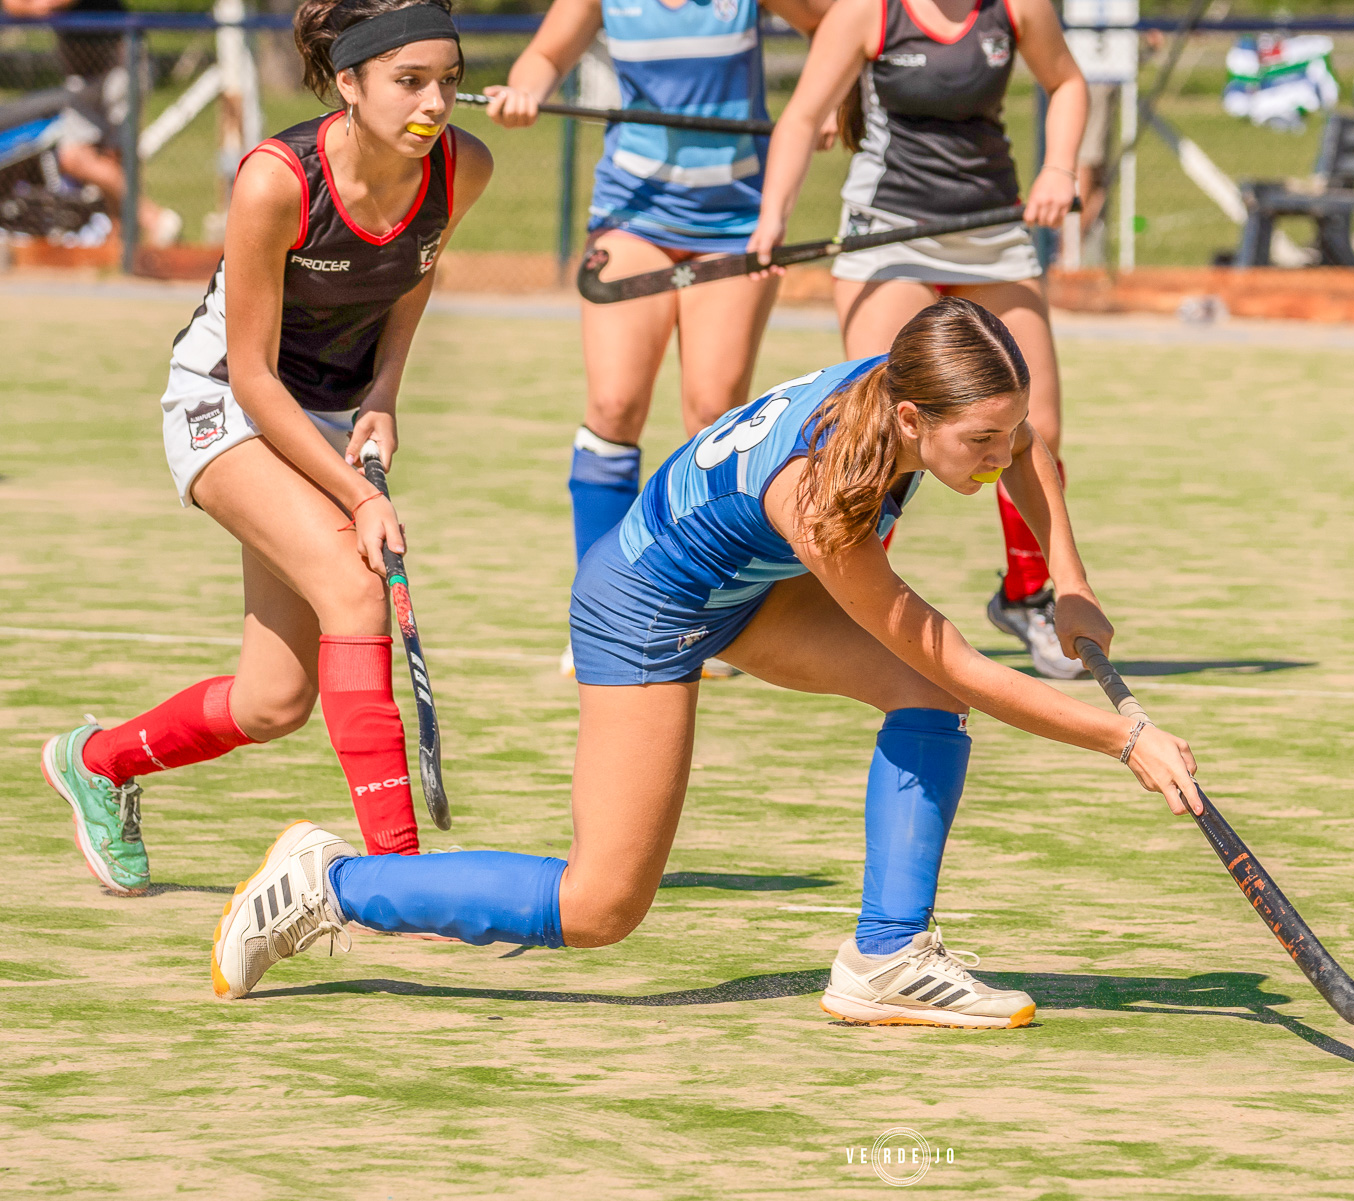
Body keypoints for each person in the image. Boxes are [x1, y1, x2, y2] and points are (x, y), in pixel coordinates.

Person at [211, 298, 1201, 1030]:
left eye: (1001, 430)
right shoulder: (818, 491)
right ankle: (327, 884)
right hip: (646, 608)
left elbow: (1026, 449)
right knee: (600, 906)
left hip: (741, 585)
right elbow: (948, 647)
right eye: (973, 442)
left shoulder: (915, 379)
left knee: (926, 699)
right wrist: (1123, 737)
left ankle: (888, 959)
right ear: (911, 423)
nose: (995, 455)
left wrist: (1064, 577)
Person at [38, 0, 492, 895]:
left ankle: (97, 761)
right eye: (410, 82)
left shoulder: (459, 168)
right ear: (350, 84)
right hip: (228, 403)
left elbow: (414, 275)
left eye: (449, 80)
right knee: (355, 590)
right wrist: (361, 496)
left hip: (327, 410)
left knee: (273, 701)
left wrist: (386, 393)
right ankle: (400, 881)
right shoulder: (276, 180)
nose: (435, 103)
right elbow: (249, 375)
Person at [479, 0, 831, 678]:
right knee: (613, 407)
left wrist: (826, 103)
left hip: (736, 224)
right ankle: (603, 613)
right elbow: (546, 55)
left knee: (715, 414)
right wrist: (527, 87)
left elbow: (830, 28)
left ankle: (709, 613)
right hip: (631, 216)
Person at [745, 0, 1089, 678]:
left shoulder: (1017, 9)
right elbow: (803, 116)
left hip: (992, 235)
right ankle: (852, 597)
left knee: (1034, 425)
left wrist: (1061, 168)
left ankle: (1030, 598)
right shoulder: (868, 12)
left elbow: (1068, 83)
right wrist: (772, 216)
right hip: (887, 234)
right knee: (876, 421)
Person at [2, 0, 183, 245]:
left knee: (116, 156)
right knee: (73, 156)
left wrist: (29, 6)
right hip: (83, 76)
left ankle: (127, 235)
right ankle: (149, 220)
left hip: (120, 61)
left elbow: (41, 6)